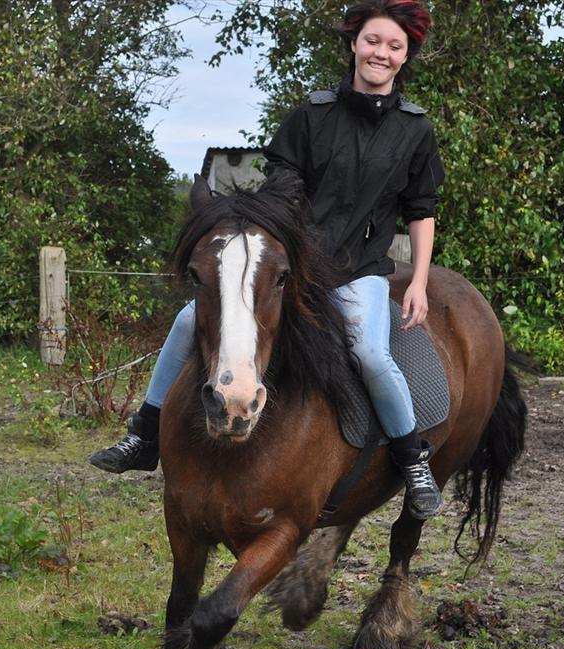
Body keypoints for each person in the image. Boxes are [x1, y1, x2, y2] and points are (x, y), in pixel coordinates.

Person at [89, 0, 445, 519]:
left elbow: (421, 209)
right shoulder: (311, 115)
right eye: (373, 41)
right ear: (353, 44)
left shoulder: (415, 129)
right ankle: (143, 435)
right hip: (294, 266)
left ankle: (413, 460)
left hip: (359, 270)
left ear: (405, 55)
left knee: (371, 352)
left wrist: (419, 282)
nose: (381, 53)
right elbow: (278, 191)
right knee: (191, 318)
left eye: (395, 46)